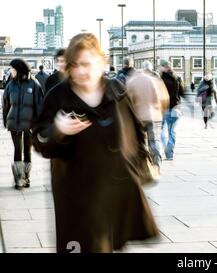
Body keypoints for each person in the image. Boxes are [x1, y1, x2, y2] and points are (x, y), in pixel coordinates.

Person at [32, 33, 159, 253]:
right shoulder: (58, 96)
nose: (80, 71)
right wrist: (58, 130)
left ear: (102, 62)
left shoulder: (118, 91)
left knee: (111, 244)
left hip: (117, 193)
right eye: (74, 65)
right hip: (78, 197)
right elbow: (40, 140)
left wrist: (138, 166)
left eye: (86, 64)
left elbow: (137, 134)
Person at [2, 59, 44, 190]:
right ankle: (18, 179)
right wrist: (6, 121)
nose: (11, 71)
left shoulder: (34, 84)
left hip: (29, 125)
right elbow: (5, 105)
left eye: (13, 69)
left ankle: (26, 177)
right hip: (15, 124)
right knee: (17, 150)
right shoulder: (10, 85)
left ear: (19, 70)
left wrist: (37, 125)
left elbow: (39, 106)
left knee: (27, 151)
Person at [127, 60, 169, 172]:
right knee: (154, 141)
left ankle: (141, 165)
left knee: (138, 141)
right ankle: (157, 164)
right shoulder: (155, 81)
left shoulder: (132, 81)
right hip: (154, 116)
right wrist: (161, 111)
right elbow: (164, 98)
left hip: (138, 117)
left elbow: (128, 100)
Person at [159, 59, 185, 161]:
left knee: (161, 131)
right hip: (176, 108)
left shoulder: (161, 79)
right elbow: (182, 92)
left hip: (165, 109)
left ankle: (166, 148)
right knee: (172, 132)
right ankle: (169, 154)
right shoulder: (177, 77)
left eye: (160, 66)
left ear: (164, 67)